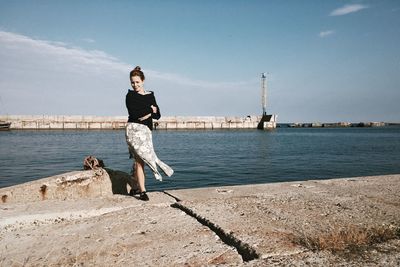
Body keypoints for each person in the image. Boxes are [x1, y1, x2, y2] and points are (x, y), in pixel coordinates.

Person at [125, 66, 173, 201]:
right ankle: (143, 191)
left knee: (142, 160)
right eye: (132, 82)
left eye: (137, 82)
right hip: (134, 130)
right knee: (140, 160)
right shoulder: (130, 95)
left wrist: (151, 112)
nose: (135, 85)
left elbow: (158, 115)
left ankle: (135, 186)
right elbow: (136, 114)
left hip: (146, 131)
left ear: (143, 81)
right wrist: (150, 110)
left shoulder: (150, 95)